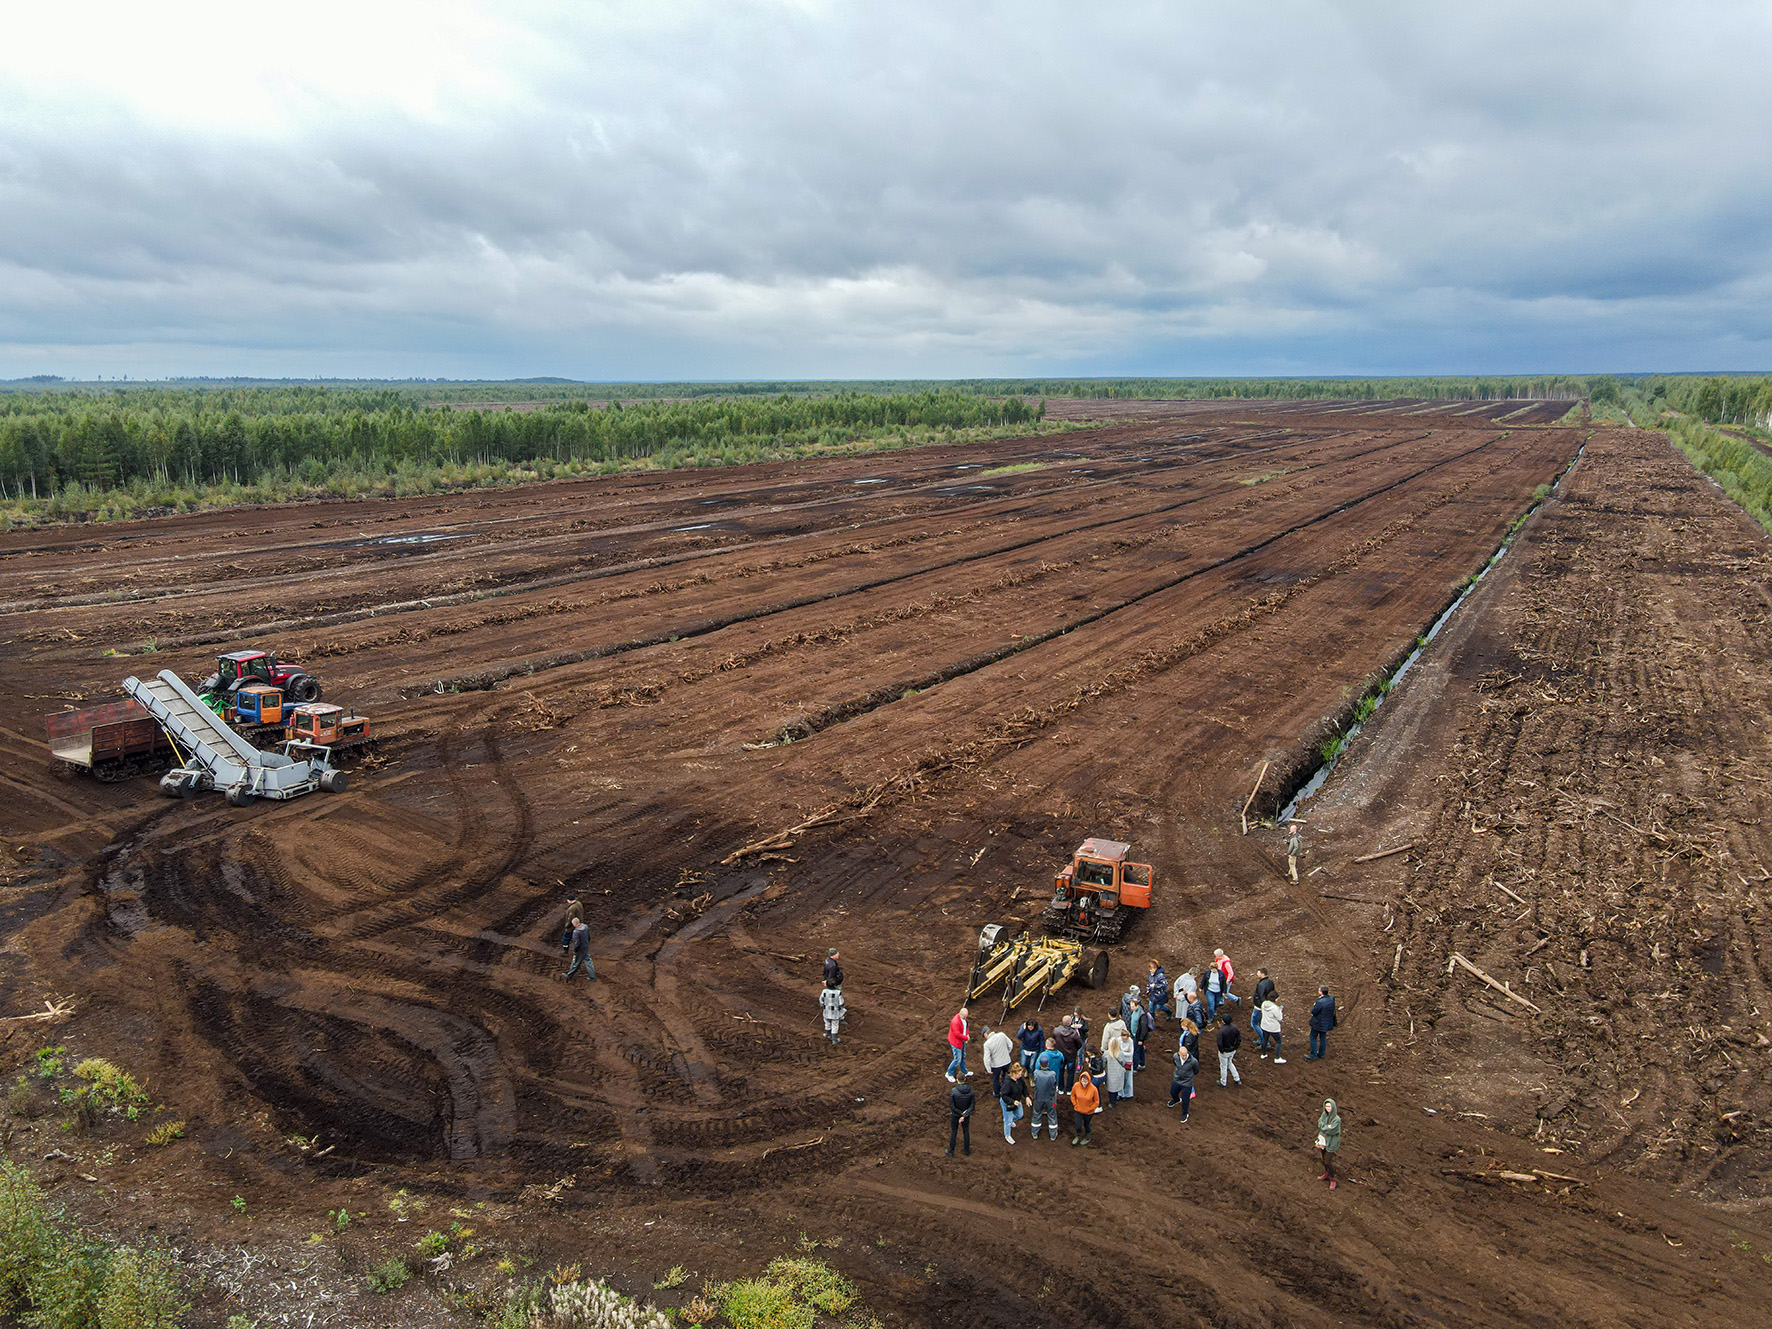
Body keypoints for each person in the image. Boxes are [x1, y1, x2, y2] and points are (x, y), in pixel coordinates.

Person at [1100, 1014, 1130, 1105]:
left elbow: (1103, 1064)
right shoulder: (1119, 1053)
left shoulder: (1106, 1054)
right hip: (1118, 1074)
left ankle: (1112, 1103)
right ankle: (1117, 1098)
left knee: (1111, 1091)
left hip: (1110, 1075)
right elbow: (1123, 1062)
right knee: (1116, 1088)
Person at [1030, 1052, 1061, 1140]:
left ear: (1040, 1064)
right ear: (1048, 1064)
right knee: (1052, 1116)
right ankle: (1053, 1135)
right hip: (1050, 1100)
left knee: (1036, 1114)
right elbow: (1055, 1084)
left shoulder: (1036, 1073)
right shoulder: (1052, 1074)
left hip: (1038, 1099)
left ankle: (1035, 1133)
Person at [999, 1062, 1031, 1144]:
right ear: (1013, 1073)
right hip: (1008, 1102)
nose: (1021, 1076)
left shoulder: (1019, 1079)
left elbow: (1024, 1087)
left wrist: (1027, 1097)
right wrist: (1013, 1101)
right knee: (1008, 1121)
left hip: (1017, 1101)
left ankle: (1007, 1120)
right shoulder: (1007, 1083)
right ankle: (1007, 1135)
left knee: (1019, 1115)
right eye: (1019, 1074)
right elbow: (1004, 1096)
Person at [1069, 1063, 1100, 1146]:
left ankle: (1087, 1136)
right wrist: (1075, 1104)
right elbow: (1072, 1095)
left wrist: (1090, 1108)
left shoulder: (1093, 1089)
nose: (1084, 1082)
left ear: (1089, 1080)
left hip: (1088, 1112)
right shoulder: (1076, 1086)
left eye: (1086, 1081)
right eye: (1083, 1080)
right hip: (1078, 1110)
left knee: (1087, 1124)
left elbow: (1097, 1101)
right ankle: (1078, 1136)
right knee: (1078, 1125)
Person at [1168, 1042, 1200, 1122]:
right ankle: (1176, 1100)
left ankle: (1185, 1114)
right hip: (1177, 1079)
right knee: (1172, 1092)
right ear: (1179, 1053)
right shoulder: (1175, 1057)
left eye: (1186, 1055)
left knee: (1186, 1100)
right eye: (1183, 1055)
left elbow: (1196, 1070)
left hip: (1187, 1083)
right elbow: (1174, 1063)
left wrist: (1189, 1077)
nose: (1185, 1057)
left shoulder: (1193, 1061)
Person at [983, 1024, 1016, 1096]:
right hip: (1007, 1062)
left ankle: (997, 1093)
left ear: (986, 1034)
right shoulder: (1002, 1035)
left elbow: (987, 1058)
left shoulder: (987, 1044)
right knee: (1006, 1076)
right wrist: (1007, 1053)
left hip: (996, 1065)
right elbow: (1010, 1044)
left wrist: (989, 1069)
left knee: (996, 1079)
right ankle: (1006, 1090)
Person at [1316, 1097, 1342, 1187]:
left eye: (1330, 1107)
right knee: (1323, 1158)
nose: (1328, 1108)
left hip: (1332, 1142)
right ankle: (1326, 1173)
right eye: (1326, 1106)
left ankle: (1332, 1179)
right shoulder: (1324, 1115)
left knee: (1328, 1161)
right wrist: (1326, 1126)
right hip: (1323, 1140)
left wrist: (1324, 1127)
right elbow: (1320, 1123)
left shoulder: (1337, 1119)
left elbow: (1332, 1131)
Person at [1308, 986, 1338, 1061]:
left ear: (1321, 992)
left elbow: (1314, 1012)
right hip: (1327, 1023)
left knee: (1313, 1037)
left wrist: (1315, 1005)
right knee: (1323, 1038)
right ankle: (1321, 1054)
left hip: (1318, 1023)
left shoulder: (1320, 1002)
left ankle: (1313, 1055)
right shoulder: (1331, 999)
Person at [1052, 1017, 1083, 1092]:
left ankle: (1060, 1088)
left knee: (1060, 1071)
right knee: (1071, 1072)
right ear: (1070, 1023)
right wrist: (1074, 1050)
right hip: (1071, 1055)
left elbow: (1053, 1040)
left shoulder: (1056, 1031)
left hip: (1060, 1055)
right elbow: (1079, 1044)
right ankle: (1069, 1089)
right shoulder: (1074, 1033)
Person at [946, 1079, 974, 1157]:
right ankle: (966, 1151)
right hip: (966, 1116)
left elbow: (952, 1106)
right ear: (965, 1079)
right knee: (966, 1131)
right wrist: (964, 1114)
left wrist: (960, 1113)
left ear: (957, 1080)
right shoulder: (970, 1090)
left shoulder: (953, 1091)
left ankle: (951, 1151)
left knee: (954, 1132)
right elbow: (972, 1105)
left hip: (955, 1115)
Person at [1252, 968, 1277, 1055]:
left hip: (1259, 1007)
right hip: (1267, 1006)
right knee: (1261, 1023)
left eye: (1258, 972)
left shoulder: (1261, 985)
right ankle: (1261, 1040)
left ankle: (1266, 1042)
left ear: (1262, 974)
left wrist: (1262, 1006)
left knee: (1254, 1023)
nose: (1257, 974)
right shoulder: (1270, 982)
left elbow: (1261, 997)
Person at [1215, 1014, 1242, 1087]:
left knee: (1223, 1066)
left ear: (1223, 1021)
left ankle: (1223, 1082)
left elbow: (1219, 1042)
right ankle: (1237, 1078)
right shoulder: (1235, 1028)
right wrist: (1236, 1047)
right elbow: (1239, 1038)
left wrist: (1221, 1050)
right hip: (1232, 1050)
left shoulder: (1221, 1030)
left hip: (1225, 1052)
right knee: (1230, 1063)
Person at [946, 1006, 971, 1083]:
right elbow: (957, 1034)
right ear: (961, 1015)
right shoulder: (955, 1022)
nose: (966, 1018)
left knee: (963, 1056)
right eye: (965, 1016)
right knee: (957, 1059)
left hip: (961, 1041)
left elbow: (966, 1026)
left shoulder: (963, 1019)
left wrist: (967, 1035)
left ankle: (964, 1071)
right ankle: (949, 1073)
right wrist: (966, 1038)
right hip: (956, 1043)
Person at [1260, 997, 1286, 1064]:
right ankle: (1277, 1058)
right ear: (1275, 999)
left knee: (1265, 1039)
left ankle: (1263, 1054)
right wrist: (1280, 1011)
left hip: (1264, 1025)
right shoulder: (1275, 1008)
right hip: (1273, 1028)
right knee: (1279, 1041)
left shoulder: (1264, 1003)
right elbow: (1280, 1018)